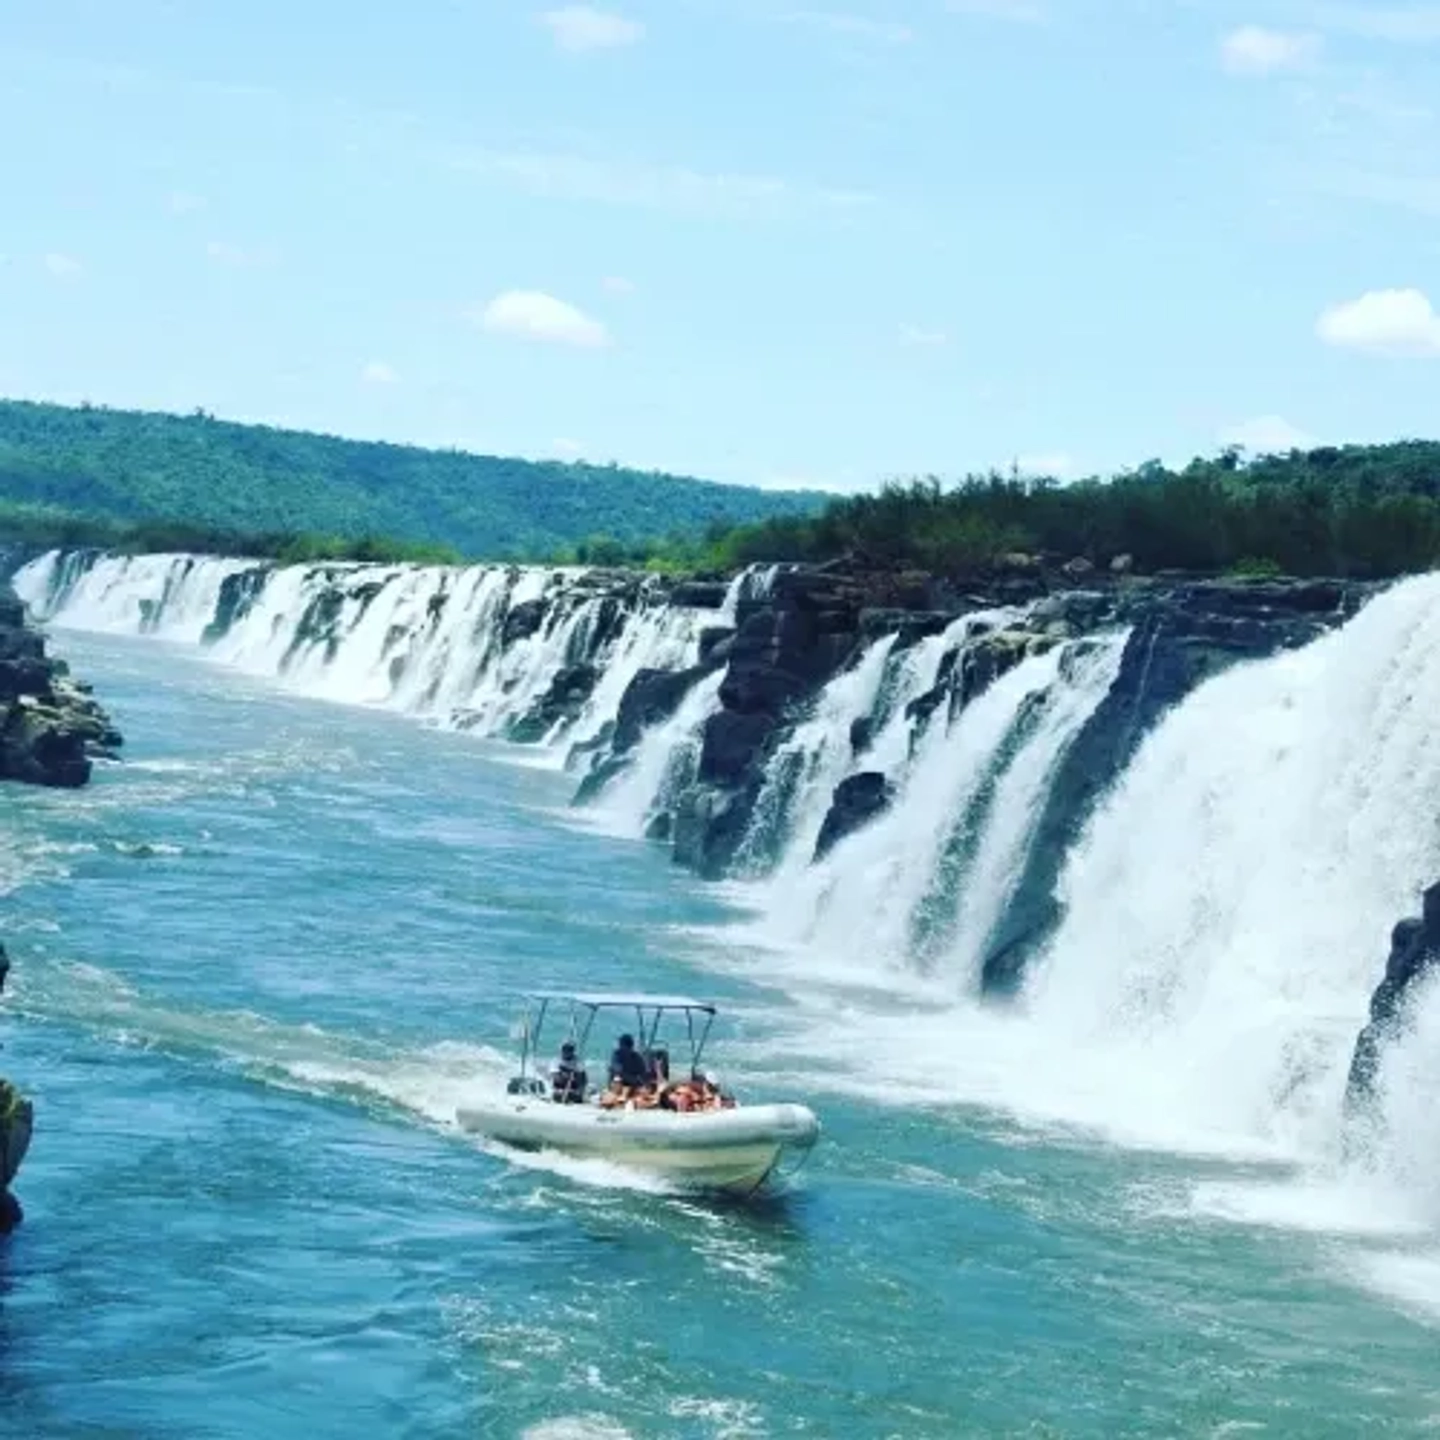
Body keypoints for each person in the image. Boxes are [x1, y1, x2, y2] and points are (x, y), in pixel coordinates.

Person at [550, 1040, 588, 1104]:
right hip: (560, 1088)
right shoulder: (556, 1061)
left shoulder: (577, 1061)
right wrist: (566, 1075)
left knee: (581, 1076)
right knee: (558, 1095)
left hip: (573, 1088)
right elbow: (555, 1076)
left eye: (570, 1049)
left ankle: (576, 1094)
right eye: (565, 1049)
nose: (567, 1052)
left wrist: (579, 1089)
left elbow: (582, 1077)